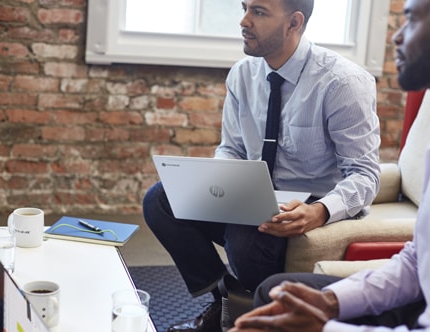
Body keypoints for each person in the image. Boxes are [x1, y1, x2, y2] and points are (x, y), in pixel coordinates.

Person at [229, 0, 430, 331]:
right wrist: (330, 302)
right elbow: (418, 261)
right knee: (277, 296)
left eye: (412, 22)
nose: (396, 38)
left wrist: (325, 328)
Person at [142, 0, 381, 330]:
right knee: (160, 200)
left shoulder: (342, 83)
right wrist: (219, 184)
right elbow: (232, 148)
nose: (243, 21)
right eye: (244, 8)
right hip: (252, 196)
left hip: (307, 206)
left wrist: (320, 211)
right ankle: (229, 299)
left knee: (247, 236)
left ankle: (248, 316)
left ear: (294, 23)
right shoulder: (243, 74)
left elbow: (365, 174)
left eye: (259, 12)